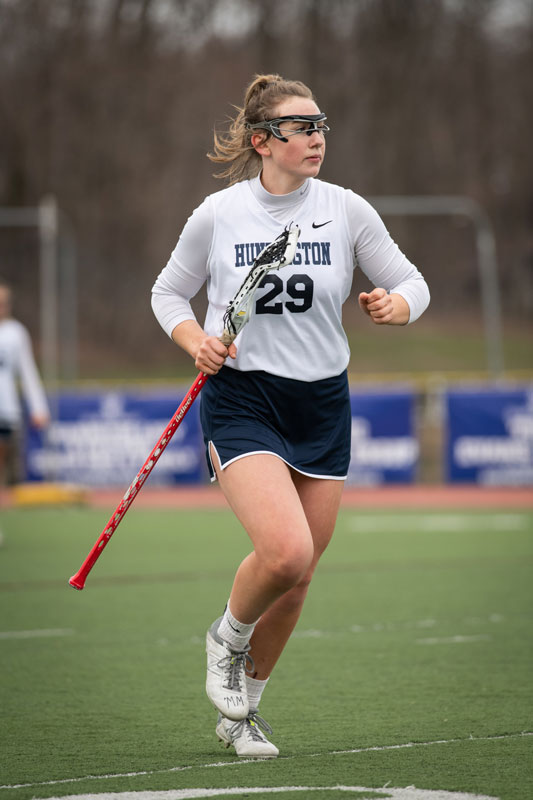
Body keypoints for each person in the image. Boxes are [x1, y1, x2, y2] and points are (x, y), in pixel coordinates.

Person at [151, 74, 430, 758]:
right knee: (286, 552)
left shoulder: (346, 210)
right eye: (300, 126)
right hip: (244, 398)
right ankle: (225, 640)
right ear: (261, 141)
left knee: (299, 580)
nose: (315, 137)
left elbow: (411, 281)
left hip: (322, 403)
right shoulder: (218, 214)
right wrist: (197, 341)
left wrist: (398, 306)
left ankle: (241, 714)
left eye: (320, 124)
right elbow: (168, 294)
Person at [0, 278, 50, 492]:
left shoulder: (16, 332)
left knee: (9, 472)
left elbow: (28, 372)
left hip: (7, 411)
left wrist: (39, 408)